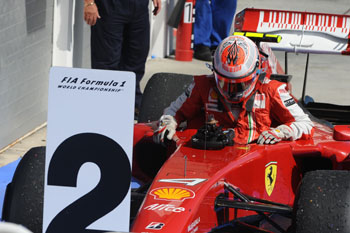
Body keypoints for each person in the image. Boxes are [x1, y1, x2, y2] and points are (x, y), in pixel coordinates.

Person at [154, 35, 314, 145]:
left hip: (255, 161)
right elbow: (173, 112)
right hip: (208, 156)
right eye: (225, 83)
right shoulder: (202, 86)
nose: (231, 91)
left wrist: (281, 132)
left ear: (256, 73)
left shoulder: (272, 91)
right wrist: (169, 123)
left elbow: (306, 124)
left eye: (239, 85)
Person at [83, 0, 161, 118]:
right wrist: (89, 3)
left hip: (139, 7)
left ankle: (131, 104)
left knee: (137, 57)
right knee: (106, 61)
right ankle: (105, 108)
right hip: (110, 6)